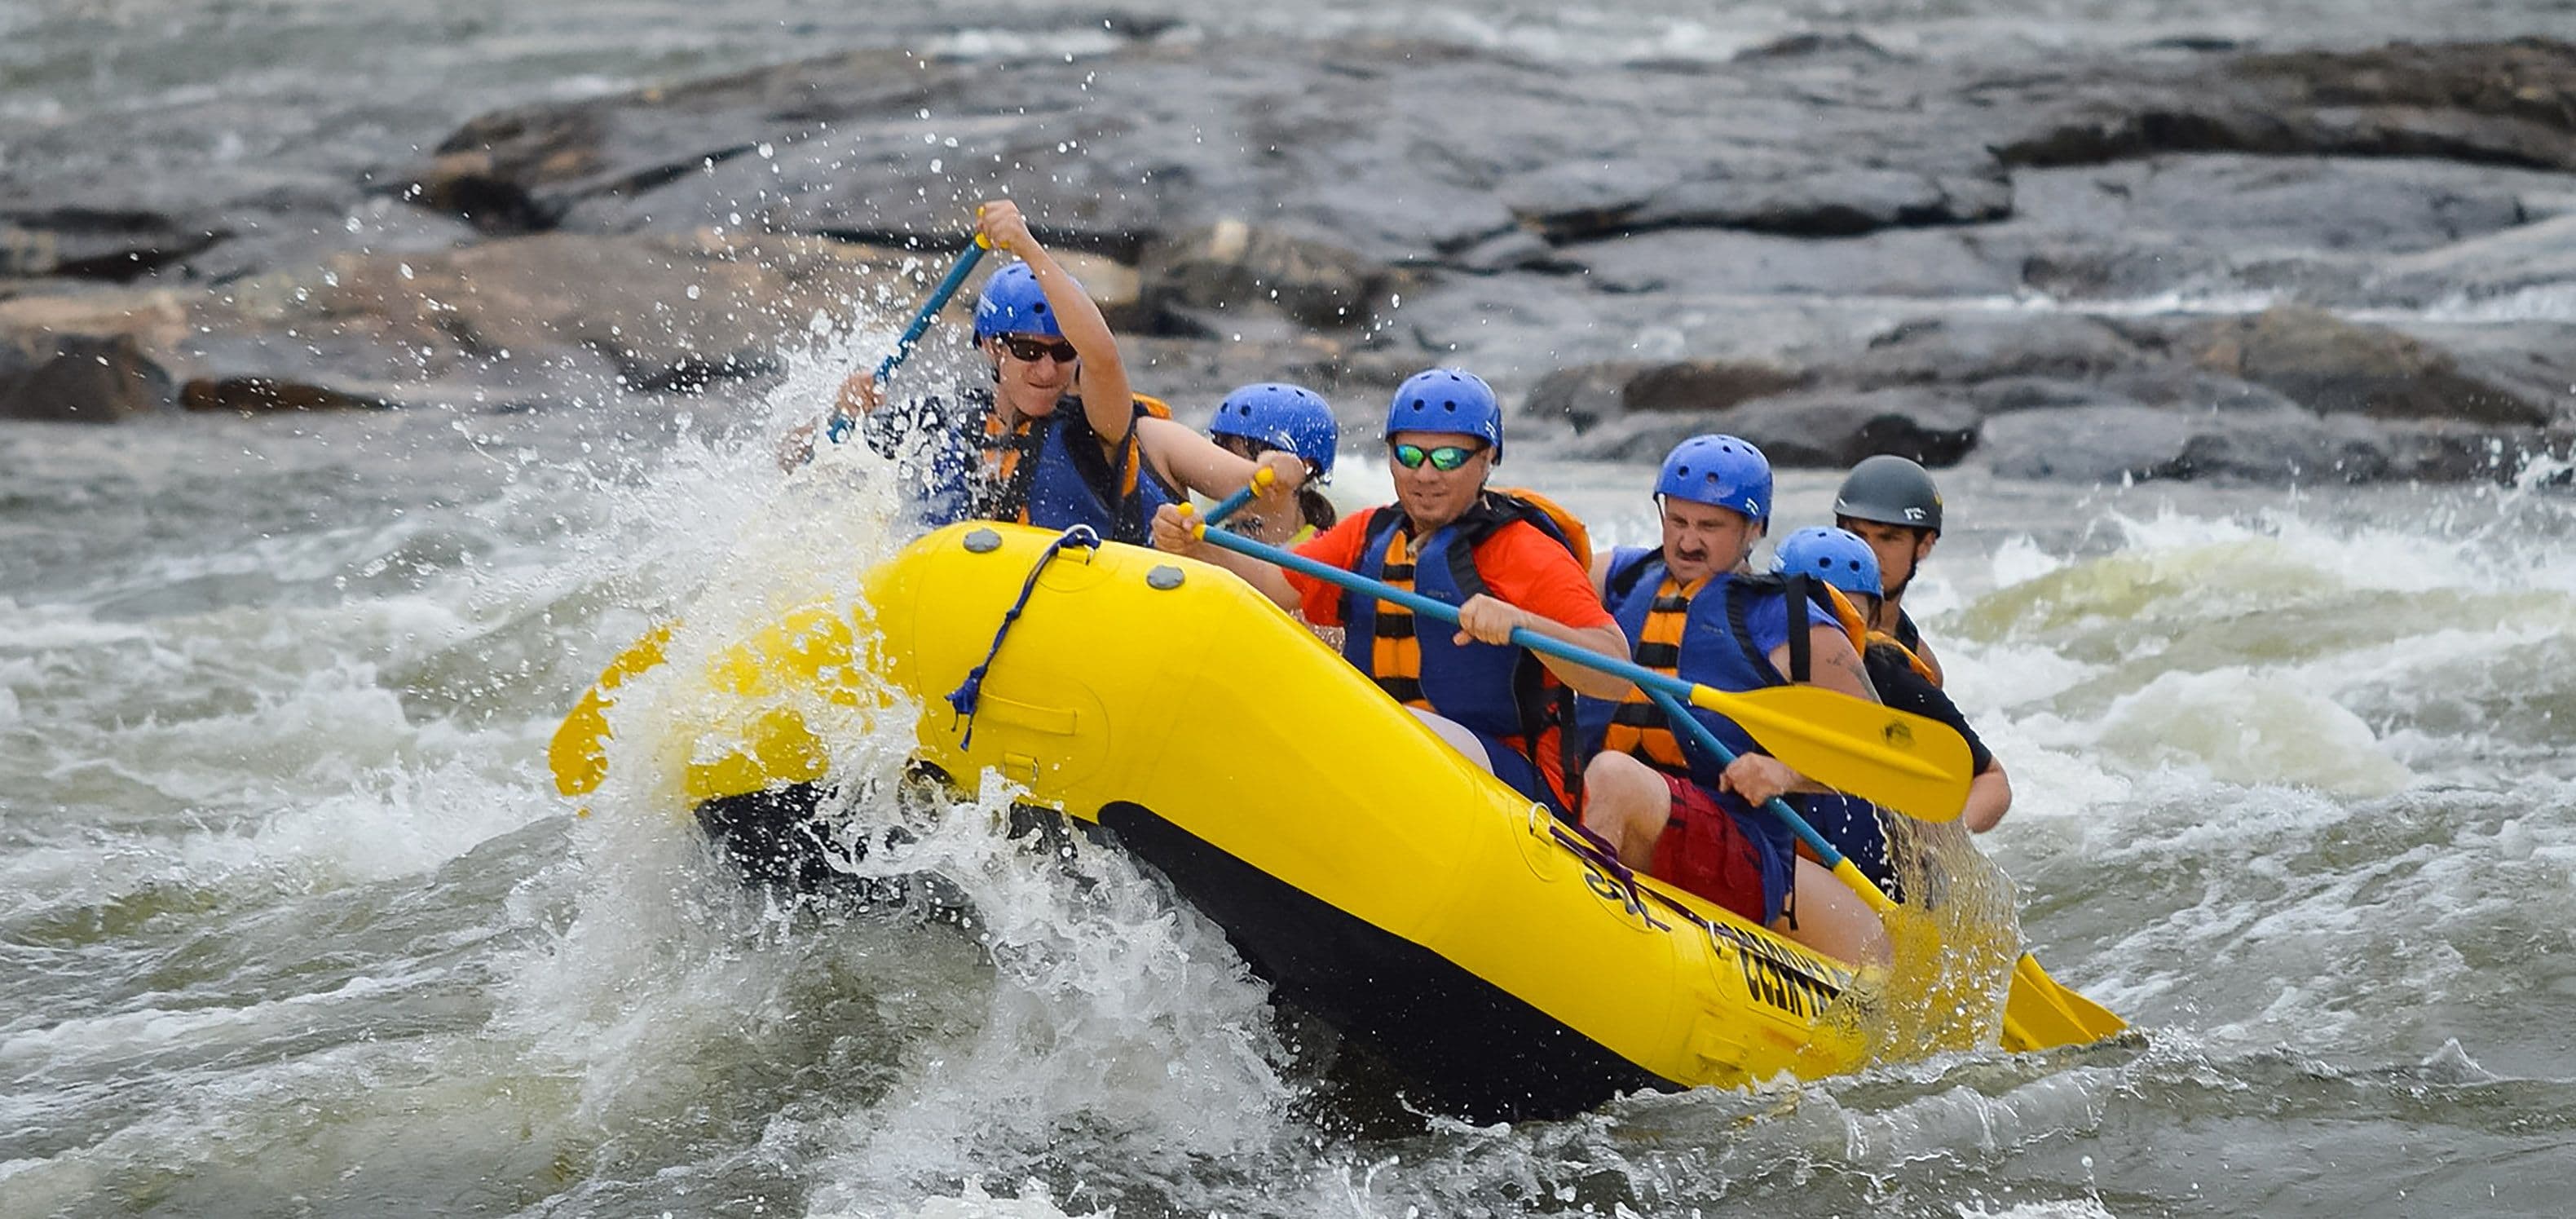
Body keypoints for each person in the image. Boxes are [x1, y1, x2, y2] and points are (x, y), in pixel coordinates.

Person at [1152, 368, 1628, 814]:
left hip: (1514, 786)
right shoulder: (1369, 534)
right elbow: (1276, 585)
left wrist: (1525, 622)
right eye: (1409, 455)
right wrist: (1200, 548)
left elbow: (1615, 672)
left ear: (1487, 461)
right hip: (1387, 759)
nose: (1425, 475)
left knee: (1390, 730)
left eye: (1447, 459)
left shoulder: (1524, 550)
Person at [783, 199, 1299, 543]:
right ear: (991, 348)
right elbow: (796, 462)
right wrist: (841, 417)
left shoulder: (1099, 427)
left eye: (1061, 352)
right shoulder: (944, 421)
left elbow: (1102, 358)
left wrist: (1027, 246)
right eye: (1029, 351)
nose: (1048, 368)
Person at [1575, 435, 1889, 965]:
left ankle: (1582, 947)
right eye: (1678, 521)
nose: (1688, 542)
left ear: (1754, 529)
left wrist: (1786, 772)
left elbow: (1878, 749)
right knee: (1595, 775)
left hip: (1735, 840)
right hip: (1626, 810)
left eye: (1710, 527)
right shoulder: (1622, 577)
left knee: (1611, 776)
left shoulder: (1785, 620)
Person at [1773, 526, 2012, 908]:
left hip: (1877, 884)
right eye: (1817, 615)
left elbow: (1992, 780)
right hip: (1784, 865)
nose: (1830, 635)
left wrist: (1943, 835)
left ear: (1870, 622)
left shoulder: (1892, 680)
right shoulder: (1738, 659)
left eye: (1847, 618)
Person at [1833, 454, 1947, 687]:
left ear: (1924, 545)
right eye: (1858, 535)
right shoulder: (1796, 616)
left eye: (1888, 538)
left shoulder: (1922, 668)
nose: (1869, 552)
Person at [1204, 382, 1340, 545]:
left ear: (1303, 468)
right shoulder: (1213, 537)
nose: (1219, 479)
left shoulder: (1328, 552)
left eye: (1239, 464)